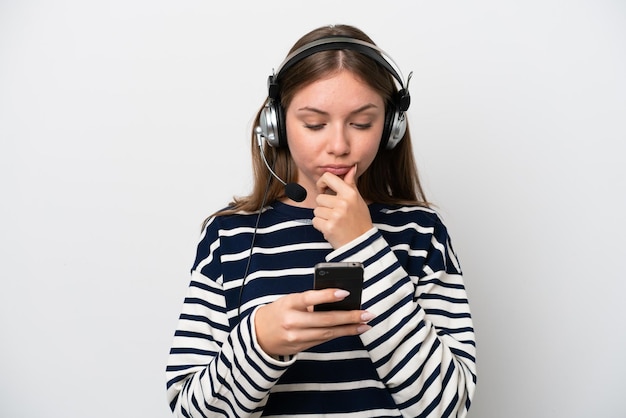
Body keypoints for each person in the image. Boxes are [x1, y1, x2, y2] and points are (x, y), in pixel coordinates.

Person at [166, 23, 476, 417]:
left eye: (362, 123)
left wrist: (363, 243)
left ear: (391, 127)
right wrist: (260, 342)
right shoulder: (227, 238)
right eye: (314, 124)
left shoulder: (421, 234)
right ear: (275, 126)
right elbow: (189, 411)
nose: (339, 145)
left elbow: (447, 408)